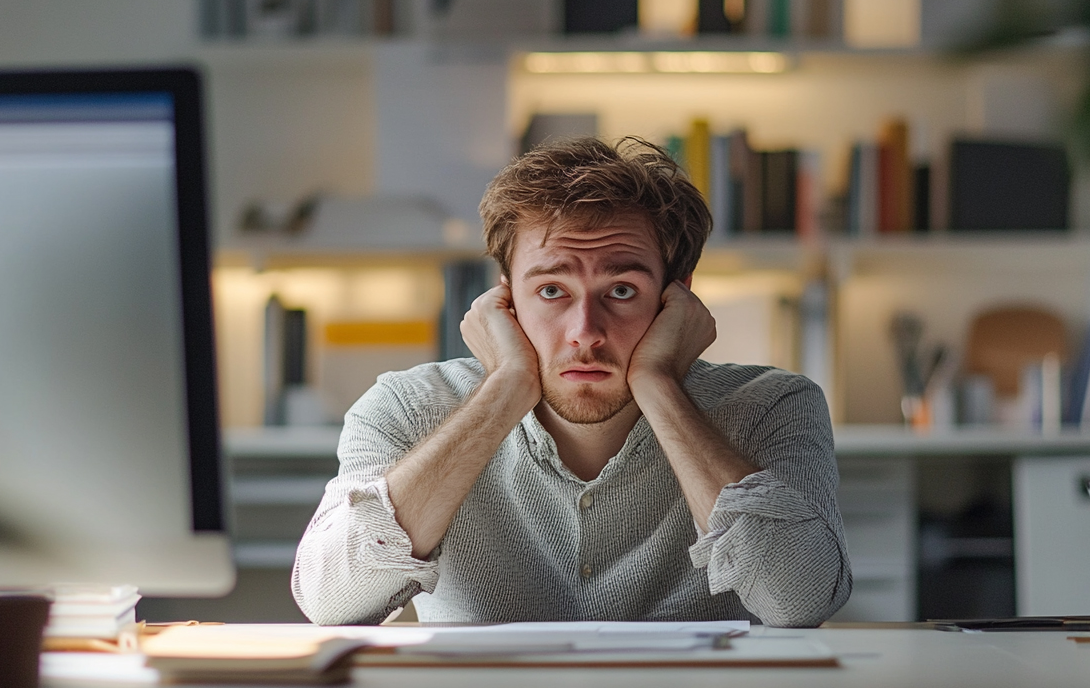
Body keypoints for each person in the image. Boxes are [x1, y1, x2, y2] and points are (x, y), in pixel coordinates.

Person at [292, 137, 850, 627]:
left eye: (623, 291)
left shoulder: (774, 406)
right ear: (505, 298)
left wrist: (658, 383)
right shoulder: (406, 409)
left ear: (676, 298)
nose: (585, 332)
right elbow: (332, 600)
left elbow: (798, 600)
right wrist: (507, 388)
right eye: (552, 291)